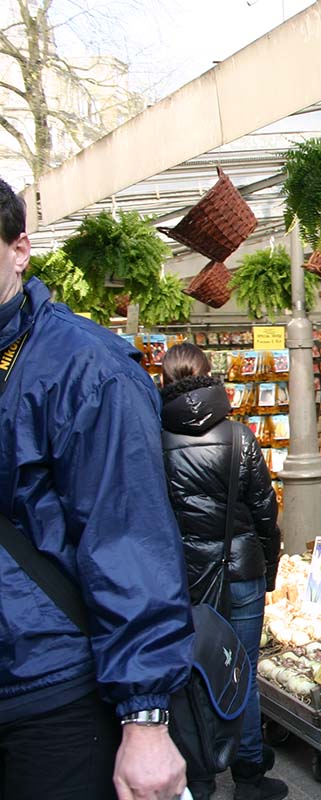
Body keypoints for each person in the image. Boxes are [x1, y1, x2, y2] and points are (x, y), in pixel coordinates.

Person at [0, 178, 194, 799]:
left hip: (51, 693)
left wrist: (145, 717)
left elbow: (129, 539)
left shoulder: (86, 368)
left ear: (20, 248)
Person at [158, 343, 287, 800]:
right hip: (241, 570)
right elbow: (264, 511)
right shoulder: (238, 436)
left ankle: (201, 775)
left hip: (183, 577)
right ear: (210, 376)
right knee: (244, 672)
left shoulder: (154, 437)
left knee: (191, 672)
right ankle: (249, 775)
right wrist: (268, 567)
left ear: (163, 380)